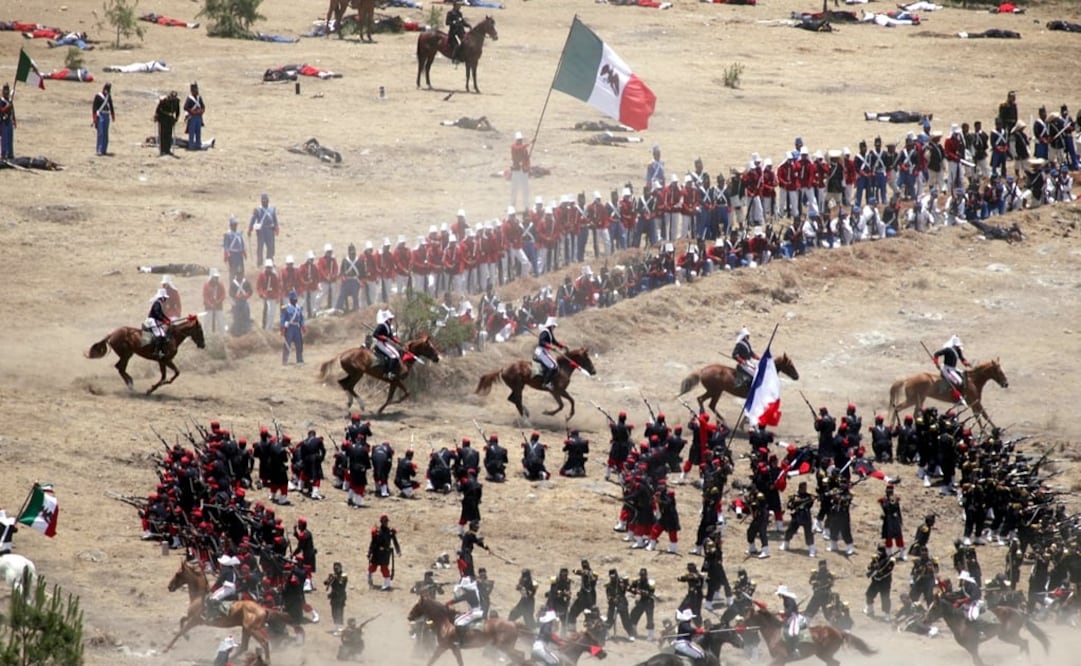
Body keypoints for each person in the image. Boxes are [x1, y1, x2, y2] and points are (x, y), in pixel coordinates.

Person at [367, 514, 401, 591]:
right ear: (381, 522)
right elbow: (372, 543)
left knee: (384, 569)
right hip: (376, 553)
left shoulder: (390, 532)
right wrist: (369, 552)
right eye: (384, 521)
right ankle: (370, 577)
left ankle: (387, 584)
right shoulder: (377, 532)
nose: (386, 523)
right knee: (373, 567)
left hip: (385, 553)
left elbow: (395, 541)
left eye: (386, 521)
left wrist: (398, 550)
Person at [448, 576, 484, 645]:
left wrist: (448, 603)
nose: (463, 589)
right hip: (478, 610)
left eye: (463, 588)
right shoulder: (474, 591)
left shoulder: (468, 594)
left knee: (457, 622)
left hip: (474, 612)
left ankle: (461, 641)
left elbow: (458, 599)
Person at [933, 334, 969, 400]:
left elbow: (962, 358)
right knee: (958, 381)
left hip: (953, 368)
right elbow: (936, 354)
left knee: (964, 376)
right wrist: (936, 363)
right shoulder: (948, 350)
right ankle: (955, 396)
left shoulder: (957, 350)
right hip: (947, 369)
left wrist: (965, 362)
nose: (958, 347)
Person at [534, 316, 565, 389]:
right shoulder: (545, 331)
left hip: (545, 351)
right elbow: (541, 342)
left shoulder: (549, 332)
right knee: (553, 365)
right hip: (541, 351)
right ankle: (546, 383)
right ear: (550, 325)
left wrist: (561, 346)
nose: (554, 327)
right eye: (553, 326)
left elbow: (554, 341)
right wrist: (550, 347)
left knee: (555, 364)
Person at [248, 193, 280, 266]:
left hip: (270, 230)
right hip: (261, 231)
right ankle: (260, 262)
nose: (264, 202)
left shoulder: (272, 209)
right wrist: (250, 229)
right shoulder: (258, 210)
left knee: (271, 247)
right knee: (260, 248)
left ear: (268, 201)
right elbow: (253, 219)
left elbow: (275, 220)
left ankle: (270, 261)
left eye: (266, 201)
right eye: (263, 201)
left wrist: (277, 228)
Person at [372, 308, 402, 379]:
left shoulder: (388, 326)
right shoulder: (382, 325)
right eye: (390, 319)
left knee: (397, 354)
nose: (391, 320)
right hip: (380, 343)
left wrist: (398, 341)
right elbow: (375, 334)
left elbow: (390, 336)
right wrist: (383, 337)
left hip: (384, 343)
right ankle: (389, 373)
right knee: (393, 356)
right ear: (387, 319)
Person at [776, 584, 805, 656]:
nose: (779, 595)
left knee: (792, 632)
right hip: (790, 617)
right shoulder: (786, 599)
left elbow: (790, 611)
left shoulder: (789, 600)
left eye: (779, 593)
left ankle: (796, 649)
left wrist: (783, 612)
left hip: (794, 617)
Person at [280, 290, 306, 365]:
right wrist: (282, 328)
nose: (295, 300)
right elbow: (283, 318)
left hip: (297, 328)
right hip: (289, 328)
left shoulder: (299, 308)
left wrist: (303, 326)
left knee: (299, 344)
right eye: (293, 299)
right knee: (287, 344)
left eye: (295, 298)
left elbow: (301, 318)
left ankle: (299, 360)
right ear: (290, 299)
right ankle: (285, 360)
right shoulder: (286, 308)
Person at [145, 288, 172, 358]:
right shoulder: (157, 303)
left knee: (162, 333)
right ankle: (156, 352)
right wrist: (164, 320)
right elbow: (157, 313)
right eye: (165, 298)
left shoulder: (159, 303)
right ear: (162, 297)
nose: (166, 299)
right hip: (152, 321)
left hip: (155, 320)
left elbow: (161, 314)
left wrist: (167, 319)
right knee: (160, 334)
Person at [153, 90, 180, 157]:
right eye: (172, 97)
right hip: (163, 118)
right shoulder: (164, 100)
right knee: (162, 134)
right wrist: (156, 116)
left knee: (169, 134)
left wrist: (176, 119)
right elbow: (158, 109)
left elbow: (177, 111)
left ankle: (168, 150)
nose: (173, 98)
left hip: (170, 119)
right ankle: (162, 150)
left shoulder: (176, 101)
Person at [92, 82, 115, 156]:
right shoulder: (98, 96)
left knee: (105, 133)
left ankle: (104, 150)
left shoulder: (108, 96)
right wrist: (94, 117)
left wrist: (112, 115)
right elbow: (94, 107)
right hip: (100, 115)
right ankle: (99, 150)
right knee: (100, 133)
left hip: (106, 115)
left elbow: (111, 106)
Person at [324, 561, 348, 632]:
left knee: (339, 611)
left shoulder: (344, 575)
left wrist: (336, 578)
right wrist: (330, 578)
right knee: (334, 611)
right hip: (334, 595)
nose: (336, 569)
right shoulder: (333, 575)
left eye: (337, 568)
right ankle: (336, 625)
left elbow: (341, 584)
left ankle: (340, 625)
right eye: (335, 568)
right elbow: (325, 583)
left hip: (340, 596)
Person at [510, 131, 530, 211]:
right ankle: (512, 206)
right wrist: (529, 143)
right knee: (514, 189)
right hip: (516, 171)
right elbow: (518, 149)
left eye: (521, 140)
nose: (520, 141)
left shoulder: (524, 149)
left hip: (523, 171)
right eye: (518, 140)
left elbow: (527, 159)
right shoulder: (514, 147)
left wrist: (527, 167)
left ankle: (526, 206)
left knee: (525, 189)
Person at [183, 82, 206, 150]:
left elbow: (203, 106)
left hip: (198, 117)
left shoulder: (199, 98)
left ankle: (198, 145)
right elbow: (185, 107)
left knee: (198, 132)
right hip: (192, 117)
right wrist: (192, 111)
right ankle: (191, 145)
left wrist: (201, 111)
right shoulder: (189, 98)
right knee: (192, 132)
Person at [203, 268, 226, 334]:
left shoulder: (220, 284)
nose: (216, 279)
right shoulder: (206, 285)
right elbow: (205, 296)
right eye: (215, 277)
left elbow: (223, 294)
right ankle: (206, 336)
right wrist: (210, 304)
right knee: (207, 322)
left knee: (221, 321)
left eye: (217, 277)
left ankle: (223, 335)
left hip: (218, 307)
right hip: (208, 307)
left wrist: (218, 302)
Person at [0, 84, 15, 159]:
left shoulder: (9, 101)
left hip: (9, 122)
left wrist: (14, 120)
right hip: (3, 123)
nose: (6, 92)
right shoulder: (1, 101)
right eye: (5, 90)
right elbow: (1, 111)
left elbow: (12, 111)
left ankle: (10, 154)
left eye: (7, 90)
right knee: (4, 139)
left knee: (10, 138)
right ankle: (4, 154)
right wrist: (7, 106)